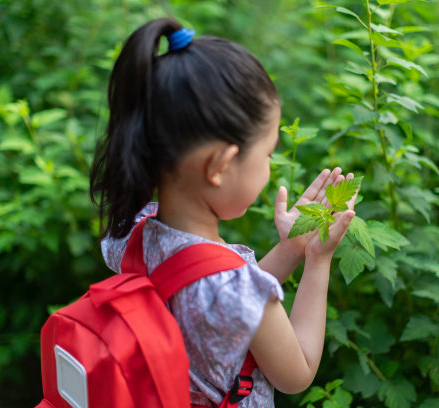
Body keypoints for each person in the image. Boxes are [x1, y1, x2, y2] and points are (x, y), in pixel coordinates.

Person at [89, 17, 357, 407]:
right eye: (267, 154)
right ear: (219, 166)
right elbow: (296, 373)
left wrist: (291, 249)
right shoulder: (234, 290)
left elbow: (217, 300)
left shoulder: (131, 234)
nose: (270, 167)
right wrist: (318, 260)